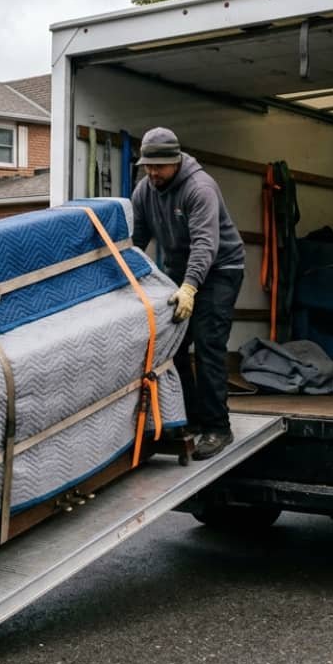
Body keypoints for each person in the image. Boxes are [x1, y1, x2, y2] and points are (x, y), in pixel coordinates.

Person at [130, 127, 245, 461]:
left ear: (176, 161)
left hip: (221, 268)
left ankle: (217, 428)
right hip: (181, 270)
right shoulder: (144, 190)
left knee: (208, 344)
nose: (152, 173)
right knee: (174, 345)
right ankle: (191, 418)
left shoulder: (200, 188)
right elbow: (136, 240)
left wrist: (190, 287)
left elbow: (205, 244)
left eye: (158, 167)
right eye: (147, 166)